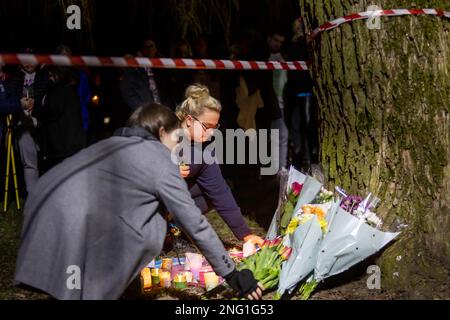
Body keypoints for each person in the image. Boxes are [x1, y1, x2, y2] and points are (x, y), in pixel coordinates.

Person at [14, 103, 263, 300]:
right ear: (162, 133)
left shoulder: (111, 144)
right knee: (152, 226)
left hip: (39, 212)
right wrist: (232, 274)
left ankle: (106, 283)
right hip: (73, 225)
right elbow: (193, 221)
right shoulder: (159, 160)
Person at [175, 84, 265, 246]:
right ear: (189, 120)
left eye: (214, 127)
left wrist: (245, 234)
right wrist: (166, 170)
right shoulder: (164, 134)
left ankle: (175, 226)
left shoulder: (204, 153)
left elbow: (220, 192)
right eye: (206, 127)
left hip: (174, 202)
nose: (210, 133)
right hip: (145, 201)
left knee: (210, 193)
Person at [8, 48, 49, 193]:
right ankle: (33, 197)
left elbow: (49, 101)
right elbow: (10, 99)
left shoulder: (46, 78)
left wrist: (36, 103)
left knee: (46, 161)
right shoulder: (14, 79)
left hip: (43, 126)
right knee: (29, 164)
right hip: (23, 126)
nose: (29, 63)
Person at [36, 66, 86, 172]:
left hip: (61, 146)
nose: (49, 78)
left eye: (50, 75)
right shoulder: (70, 89)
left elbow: (52, 111)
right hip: (72, 143)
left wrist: (36, 110)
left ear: (56, 74)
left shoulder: (58, 90)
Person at [120, 39, 170, 110]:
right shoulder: (133, 69)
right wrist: (142, 109)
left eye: (151, 46)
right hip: (144, 113)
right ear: (141, 50)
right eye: (146, 47)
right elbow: (128, 93)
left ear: (155, 49)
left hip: (163, 110)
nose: (149, 49)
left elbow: (169, 89)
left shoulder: (163, 67)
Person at [267, 30, 289, 173]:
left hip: (283, 103)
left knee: (282, 136)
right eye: (276, 40)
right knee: (271, 137)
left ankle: (280, 170)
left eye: (281, 42)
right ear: (269, 38)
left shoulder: (284, 57)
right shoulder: (264, 58)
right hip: (267, 104)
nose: (278, 44)